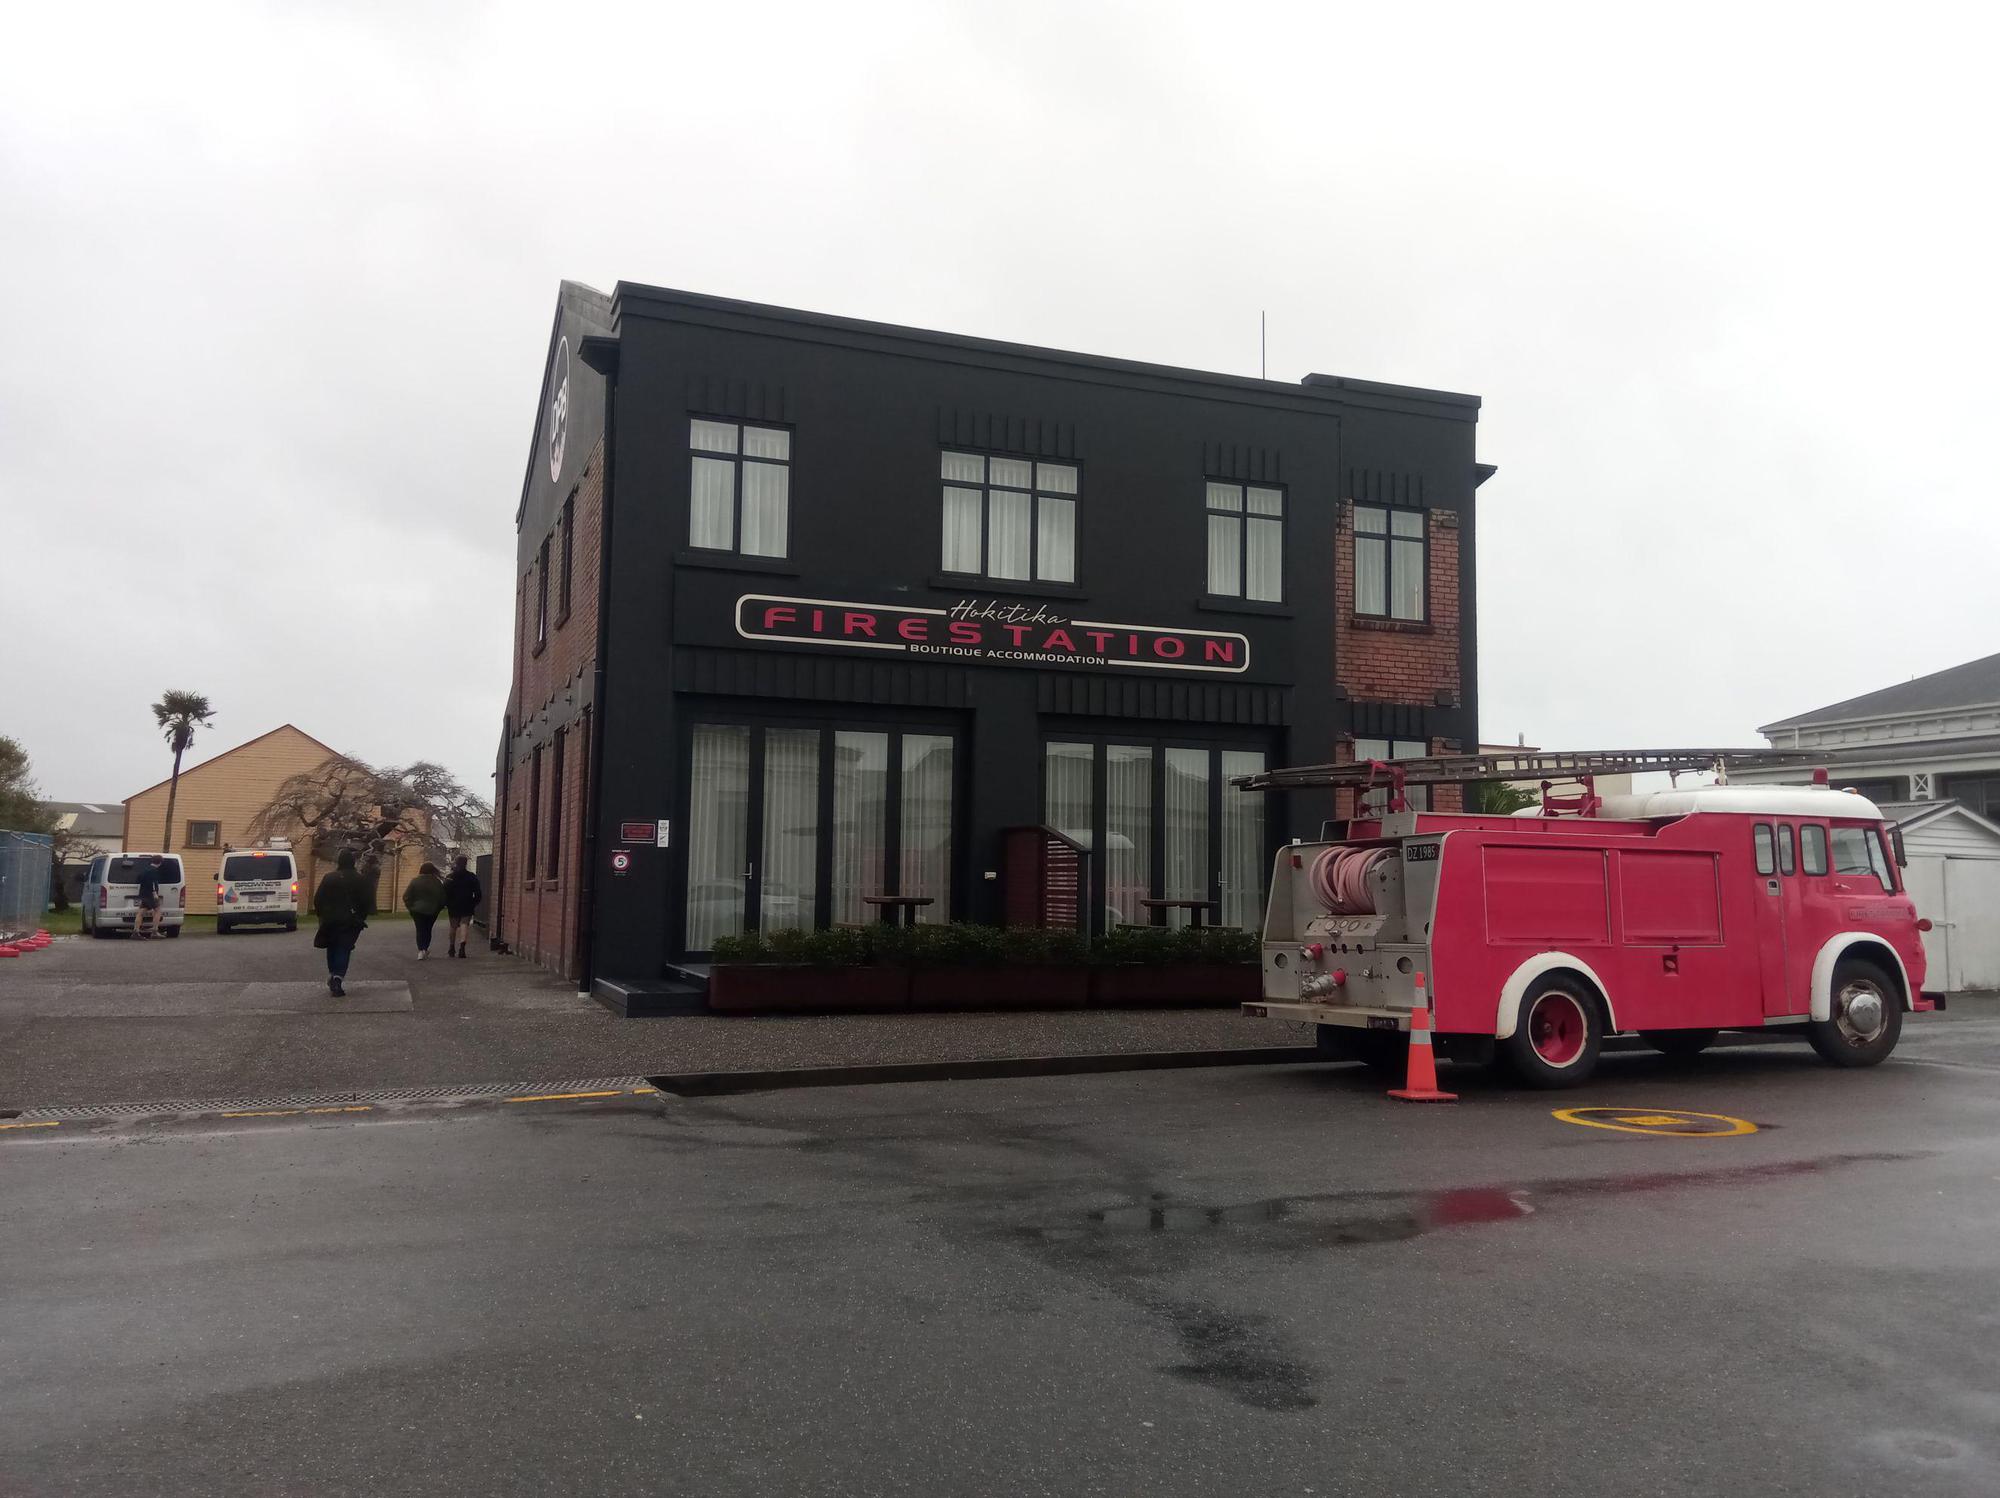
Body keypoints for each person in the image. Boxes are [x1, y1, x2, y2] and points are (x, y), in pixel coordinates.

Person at [312, 850, 372, 997]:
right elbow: (366, 901)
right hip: (351, 921)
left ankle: (333, 973)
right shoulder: (360, 879)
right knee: (343, 948)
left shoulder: (329, 878)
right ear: (353, 862)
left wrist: (322, 915)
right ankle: (337, 977)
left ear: (339, 861)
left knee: (331, 946)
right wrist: (361, 917)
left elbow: (318, 899)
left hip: (330, 919)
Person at [403, 861, 447, 960]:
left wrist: (411, 907)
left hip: (417, 910)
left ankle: (420, 950)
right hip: (432, 910)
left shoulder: (415, 881)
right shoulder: (437, 882)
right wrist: (438, 908)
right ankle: (425, 948)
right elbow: (442, 898)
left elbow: (406, 896)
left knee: (420, 929)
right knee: (428, 930)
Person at [443, 854, 481, 959]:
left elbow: (445, 891)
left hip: (453, 904)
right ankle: (462, 948)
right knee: (464, 924)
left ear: (456, 862)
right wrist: (474, 902)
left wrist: (447, 903)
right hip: (467, 903)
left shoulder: (450, 877)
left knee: (453, 926)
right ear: (466, 863)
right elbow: (478, 892)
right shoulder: (471, 876)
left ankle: (451, 947)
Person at [133, 855, 165, 939]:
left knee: (141, 912)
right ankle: (154, 931)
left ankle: (136, 932)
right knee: (158, 910)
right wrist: (154, 893)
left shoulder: (145, 869)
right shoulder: (153, 871)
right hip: (150, 895)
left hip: (143, 893)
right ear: (160, 862)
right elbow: (153, 883)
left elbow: (138, 879)